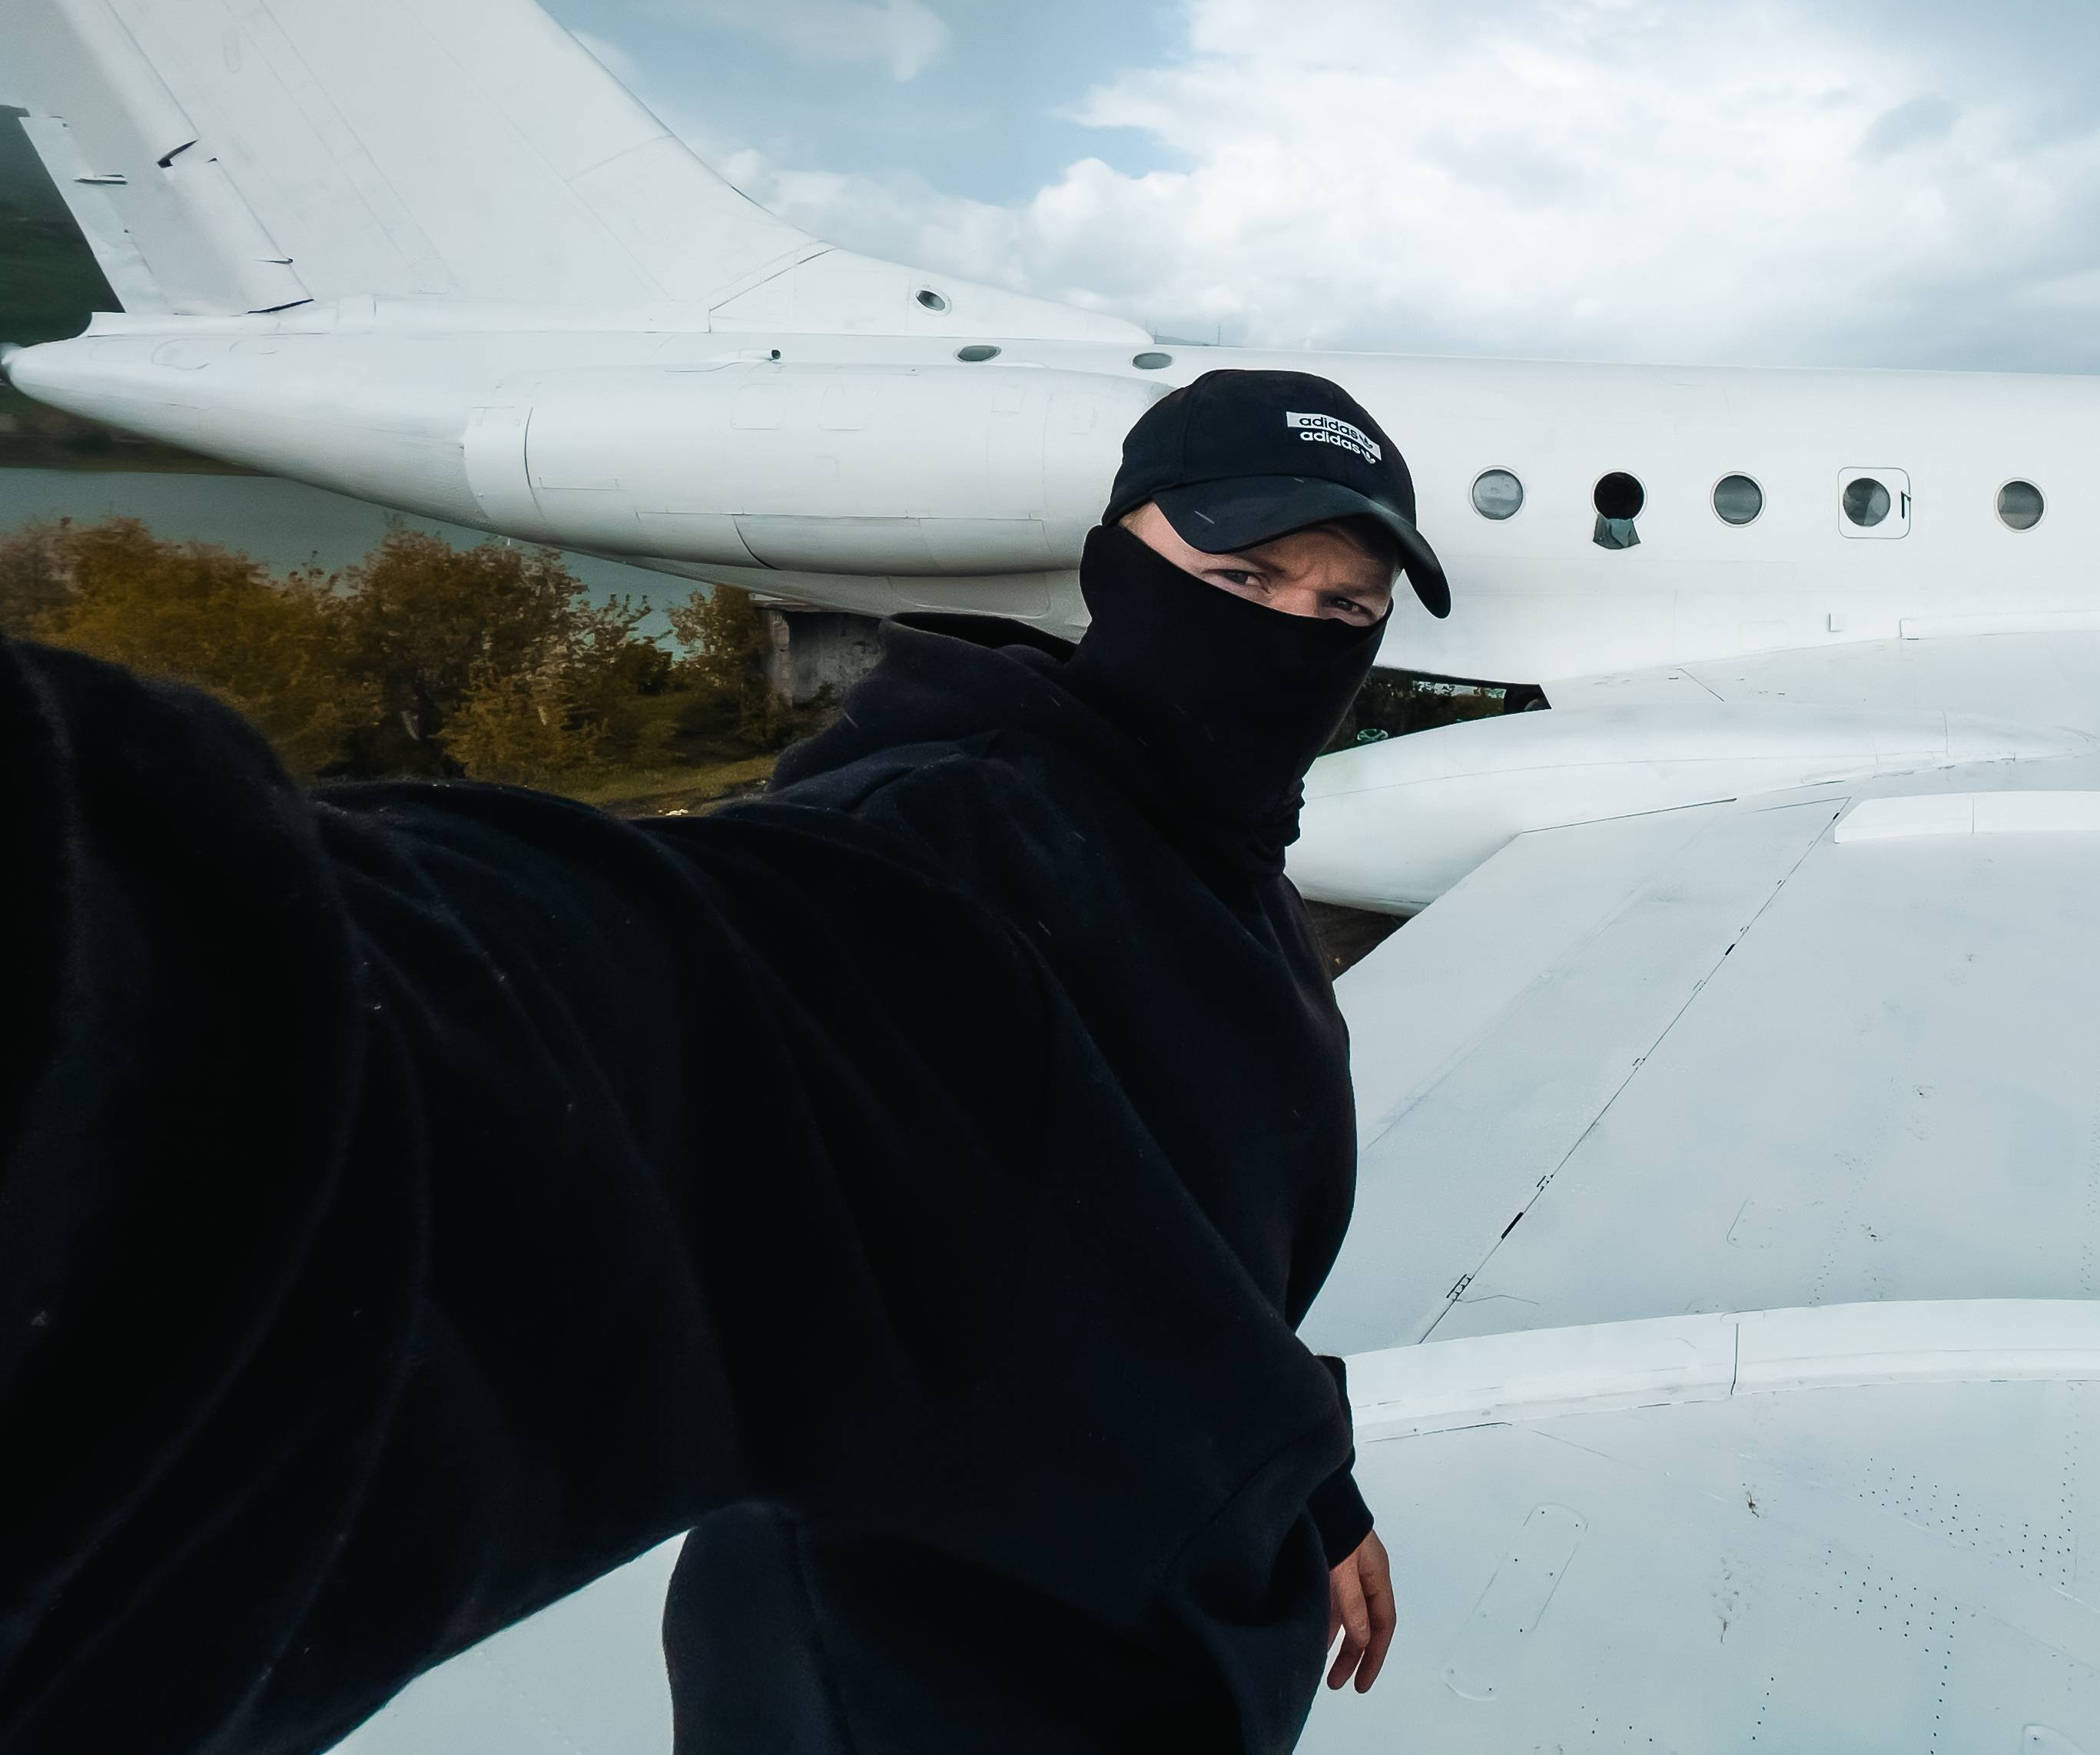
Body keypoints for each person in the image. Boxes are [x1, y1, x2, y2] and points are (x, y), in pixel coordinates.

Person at [0, 367, 1446, 1755]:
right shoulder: (939, 846)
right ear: (1108, 564)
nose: (1293, 635)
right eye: (1242, 581)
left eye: (1347, 607)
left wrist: (1300, 1474)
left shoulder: (1225, 867)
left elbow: (1177, 1232)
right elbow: (611, 1023)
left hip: (1154, 1648)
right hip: (917, 1678)